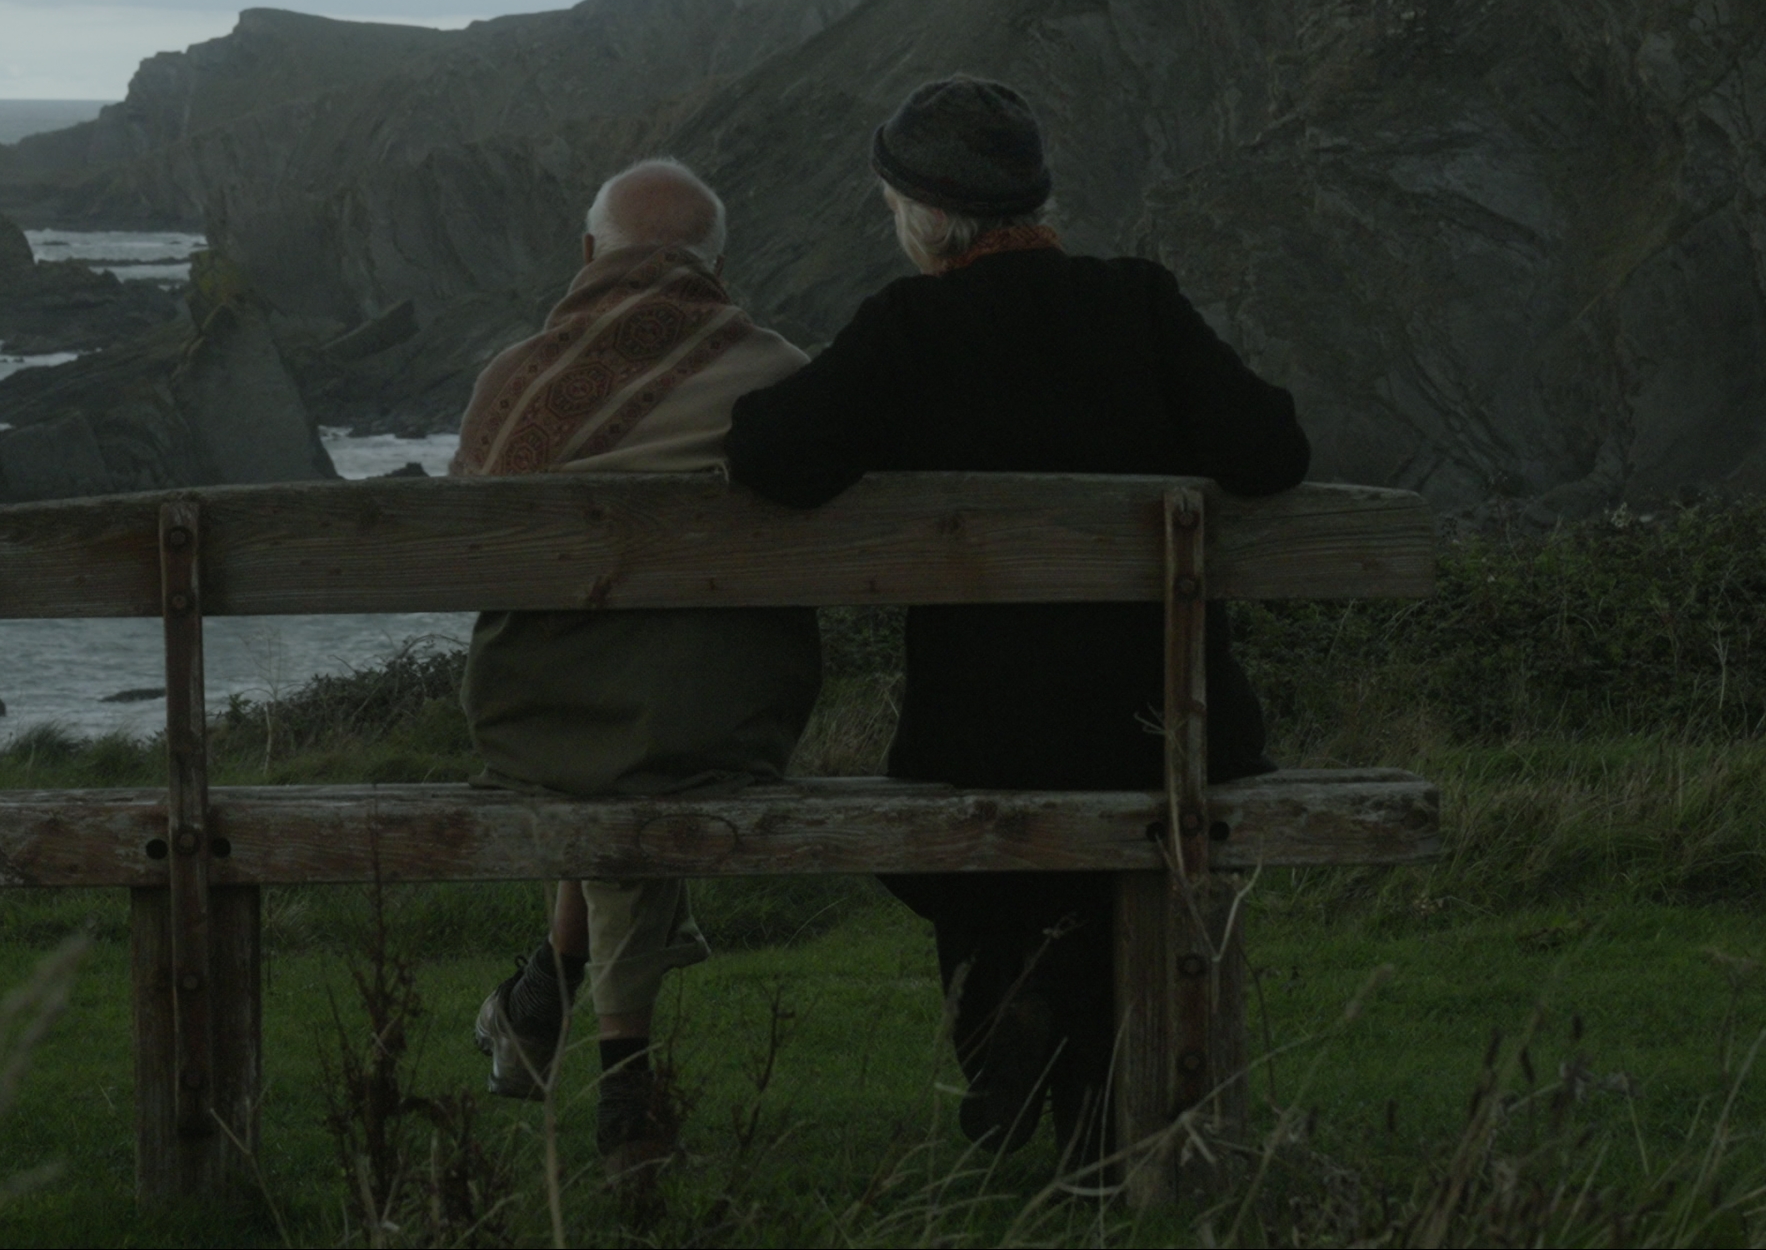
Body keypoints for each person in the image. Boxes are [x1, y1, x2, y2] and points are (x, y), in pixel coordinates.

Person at [722, 76, 1307, 1160]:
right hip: (1172, 734)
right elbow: (1272, 449)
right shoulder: (1138, 300)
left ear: (921, 215)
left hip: (979, 743)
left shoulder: (909, 328)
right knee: (1088, 836)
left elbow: (766, 458)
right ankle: (1091, 1099)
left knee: (975, 844)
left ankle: (1013, 1026)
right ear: (1036, 202)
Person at [456, 158, 819, 1169]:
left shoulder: (515, 379)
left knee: (609, 731)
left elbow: (465, 536)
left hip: (534, 714)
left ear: (586, 256)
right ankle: (612, 1077)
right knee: (654, 717)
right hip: (728, 717)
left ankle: (557, 1012)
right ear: (716, 263)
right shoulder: (780, 374)